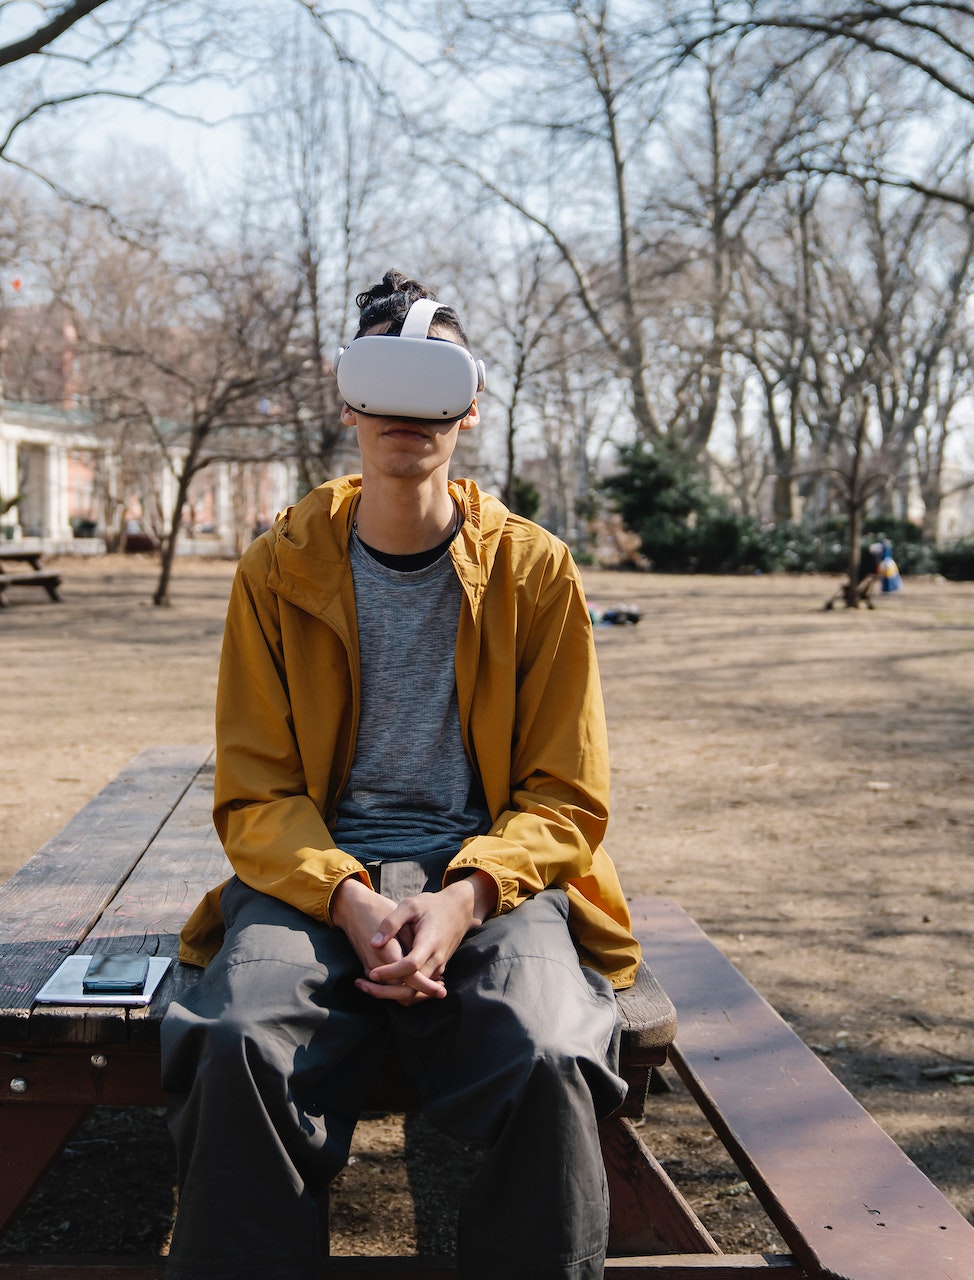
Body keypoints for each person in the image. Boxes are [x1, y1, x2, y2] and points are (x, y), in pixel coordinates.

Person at [162, 270, 641, 1280]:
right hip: (312, 875)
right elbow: (255, 790)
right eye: (381, 380)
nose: (405, 411)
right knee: (239, 1039)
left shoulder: (537, 570)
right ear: (347, 400)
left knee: (554, 1054)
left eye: (436, 382)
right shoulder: (275, 569)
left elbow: (565, 794)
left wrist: (467, 896)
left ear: (470, 403)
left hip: (491, 874)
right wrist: (344, 895)